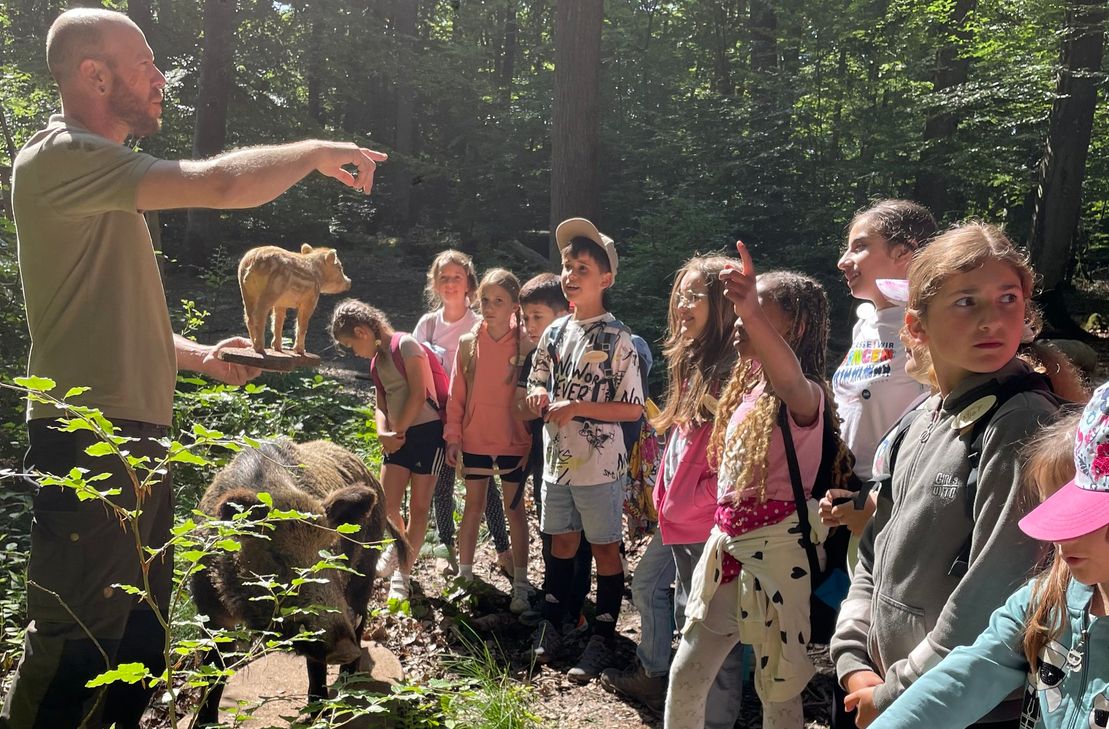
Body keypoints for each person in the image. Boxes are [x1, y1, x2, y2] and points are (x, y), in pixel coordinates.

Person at [4, 8, 387, 728]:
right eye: (144, 63)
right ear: (94, 74)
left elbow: (106, 312)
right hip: (91, 439)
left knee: (139, 642)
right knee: (77, 645)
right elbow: (216, 183)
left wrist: (197, 356)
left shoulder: (101, 180)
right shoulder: (61, 157)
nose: (161, 78)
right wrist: (312, 150)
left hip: (136, 437)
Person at [830, 223, 1067, 729]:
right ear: (916, 326)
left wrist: (897, 691)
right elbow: (873, 551)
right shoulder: (919, 418)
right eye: (966, 302)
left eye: (1008, 298)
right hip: (886, 687)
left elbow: (998, 588)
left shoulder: (1023, 421)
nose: (992, 319)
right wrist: (852, 656)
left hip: (968, 707)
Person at [665, 243, 835, 729]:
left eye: (760, 312)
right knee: (687, 671)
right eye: (742, 311)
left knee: (778, 691)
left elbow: (789, 379)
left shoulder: (803, 396)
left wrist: (749, 311)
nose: (741, 320)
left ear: (795, 328)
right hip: (727, 556)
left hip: (778, 563)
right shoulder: (748, 391)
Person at [870, 385, 1106, 729]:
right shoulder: (1045, 599)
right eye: (1066, 511)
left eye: (1093, 519)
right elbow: (967, 674)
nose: (1061, 535)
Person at [599, 255, 745, 720]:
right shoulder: (692, 359)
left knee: (707, 630)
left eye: (696, 296)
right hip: (676, 518)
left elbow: (735, 462)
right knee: (655, 592)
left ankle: (715, 718)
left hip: (705, 524)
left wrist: (694, 504)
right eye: (680, 294)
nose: (683, 304)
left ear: (722, 305)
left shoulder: (733, 370)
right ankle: (659, 676)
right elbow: (681, 443)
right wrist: (665, 499)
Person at [525, 218, 644, 682]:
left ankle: (603, 635)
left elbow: (632, 410)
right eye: (566, 267)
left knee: (604, 548)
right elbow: (538, 374)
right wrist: (537, 393)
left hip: (600, 465)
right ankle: (554, 625)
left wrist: (578, 406)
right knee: (562, 542)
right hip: (557, 462)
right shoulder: (554, 332)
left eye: (582, 269)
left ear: (606, 279)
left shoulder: (619, 339)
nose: (570, 276)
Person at [822, 200, 935, 540]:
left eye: (859, 247)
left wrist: (876, 501)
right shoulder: (866, 325)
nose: (843, 260)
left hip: (894, 494)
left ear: (904, 253)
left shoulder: (931, 325)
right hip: (844, 490)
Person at [328, 300, 441, 603]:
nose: (354, 351)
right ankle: (398, 545)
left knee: (418, 507)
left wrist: (397, 431)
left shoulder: (406, 345)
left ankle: (403, 574)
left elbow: (419, 394)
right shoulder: (376, 362)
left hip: (427, 435)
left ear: (363, 331)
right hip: (396, 437)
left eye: (351, 344)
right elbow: (381, 403)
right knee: (387, 504)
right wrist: (383, 432)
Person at [413, 250, 512, 578]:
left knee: (487, 489)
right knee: (442, 485)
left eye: (457, 277)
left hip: (476, 419)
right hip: (437, 420)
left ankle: (503, 549)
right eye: (444, 277)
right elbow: (412, 374)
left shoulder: (482, 322)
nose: (450, 283)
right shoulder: (427, 325)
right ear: (434, 284)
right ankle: (446, 549)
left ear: (469, 281)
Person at [445, 268, 534, 613]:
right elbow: (456, 397)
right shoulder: (469, 344)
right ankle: (466, 578)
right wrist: (454, 437)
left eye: (499, 300)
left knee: (515, 513)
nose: (490, 307)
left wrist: (529, 440)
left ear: (515, 305)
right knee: (472, 509)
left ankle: (522, 586)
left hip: (514, 443)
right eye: (485, 300)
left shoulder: (527, 344)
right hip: (475, 441)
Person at [515, 273, 592, 634]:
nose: (529, 326)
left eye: (537, 317)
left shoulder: (592, 350)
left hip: (590, 464)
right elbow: (521, 408)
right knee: (552, 533)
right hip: (547, 462)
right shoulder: (534, 358)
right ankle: (555, 601)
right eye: (525, 318)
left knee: (582, 539)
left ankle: (577, 608)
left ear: (566, 312)